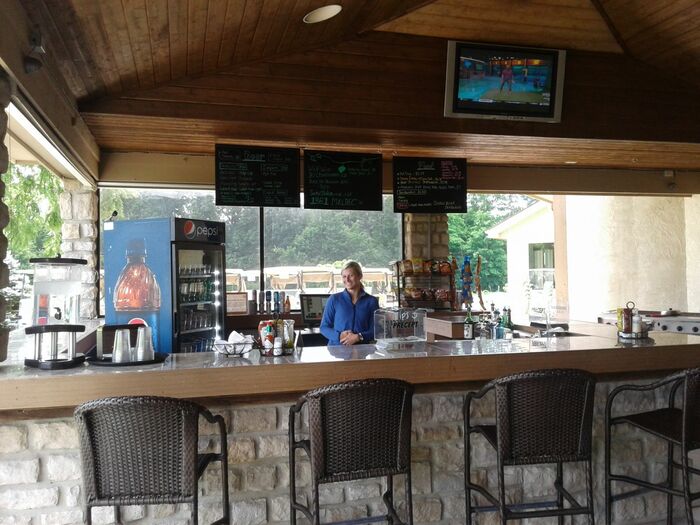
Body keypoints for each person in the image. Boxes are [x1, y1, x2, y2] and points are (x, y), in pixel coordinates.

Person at [320, 261, 379, 345]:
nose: (347, 279)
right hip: (337, 351)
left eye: (351, 275)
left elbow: (377, 330)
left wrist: (359, 336)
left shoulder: (371, 301)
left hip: (362, 351)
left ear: (360, 276)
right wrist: (339, 336)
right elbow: (324, 327)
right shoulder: (334, 299)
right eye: (344, 276)